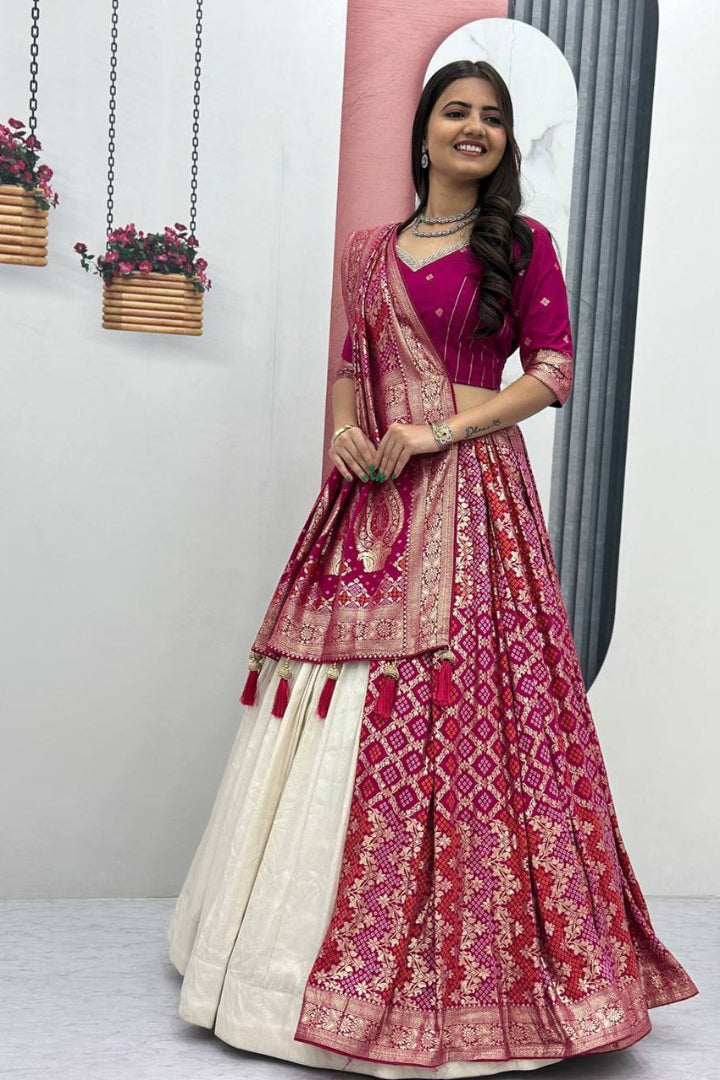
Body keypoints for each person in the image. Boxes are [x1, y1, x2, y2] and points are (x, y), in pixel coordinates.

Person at [167, 59, 697, 1076]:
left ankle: (480, 975)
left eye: (492, 118)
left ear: (502, 144)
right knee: (336, 701)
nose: (476, 129)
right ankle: (272, 963)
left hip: (476, 501)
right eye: (457, 112)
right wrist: (343, 436)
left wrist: (441, 428)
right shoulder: (368, 253)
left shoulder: (524, 244)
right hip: (370, 500)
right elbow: (349, 368)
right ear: (423, 132)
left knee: (473, 710)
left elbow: (554, 372)